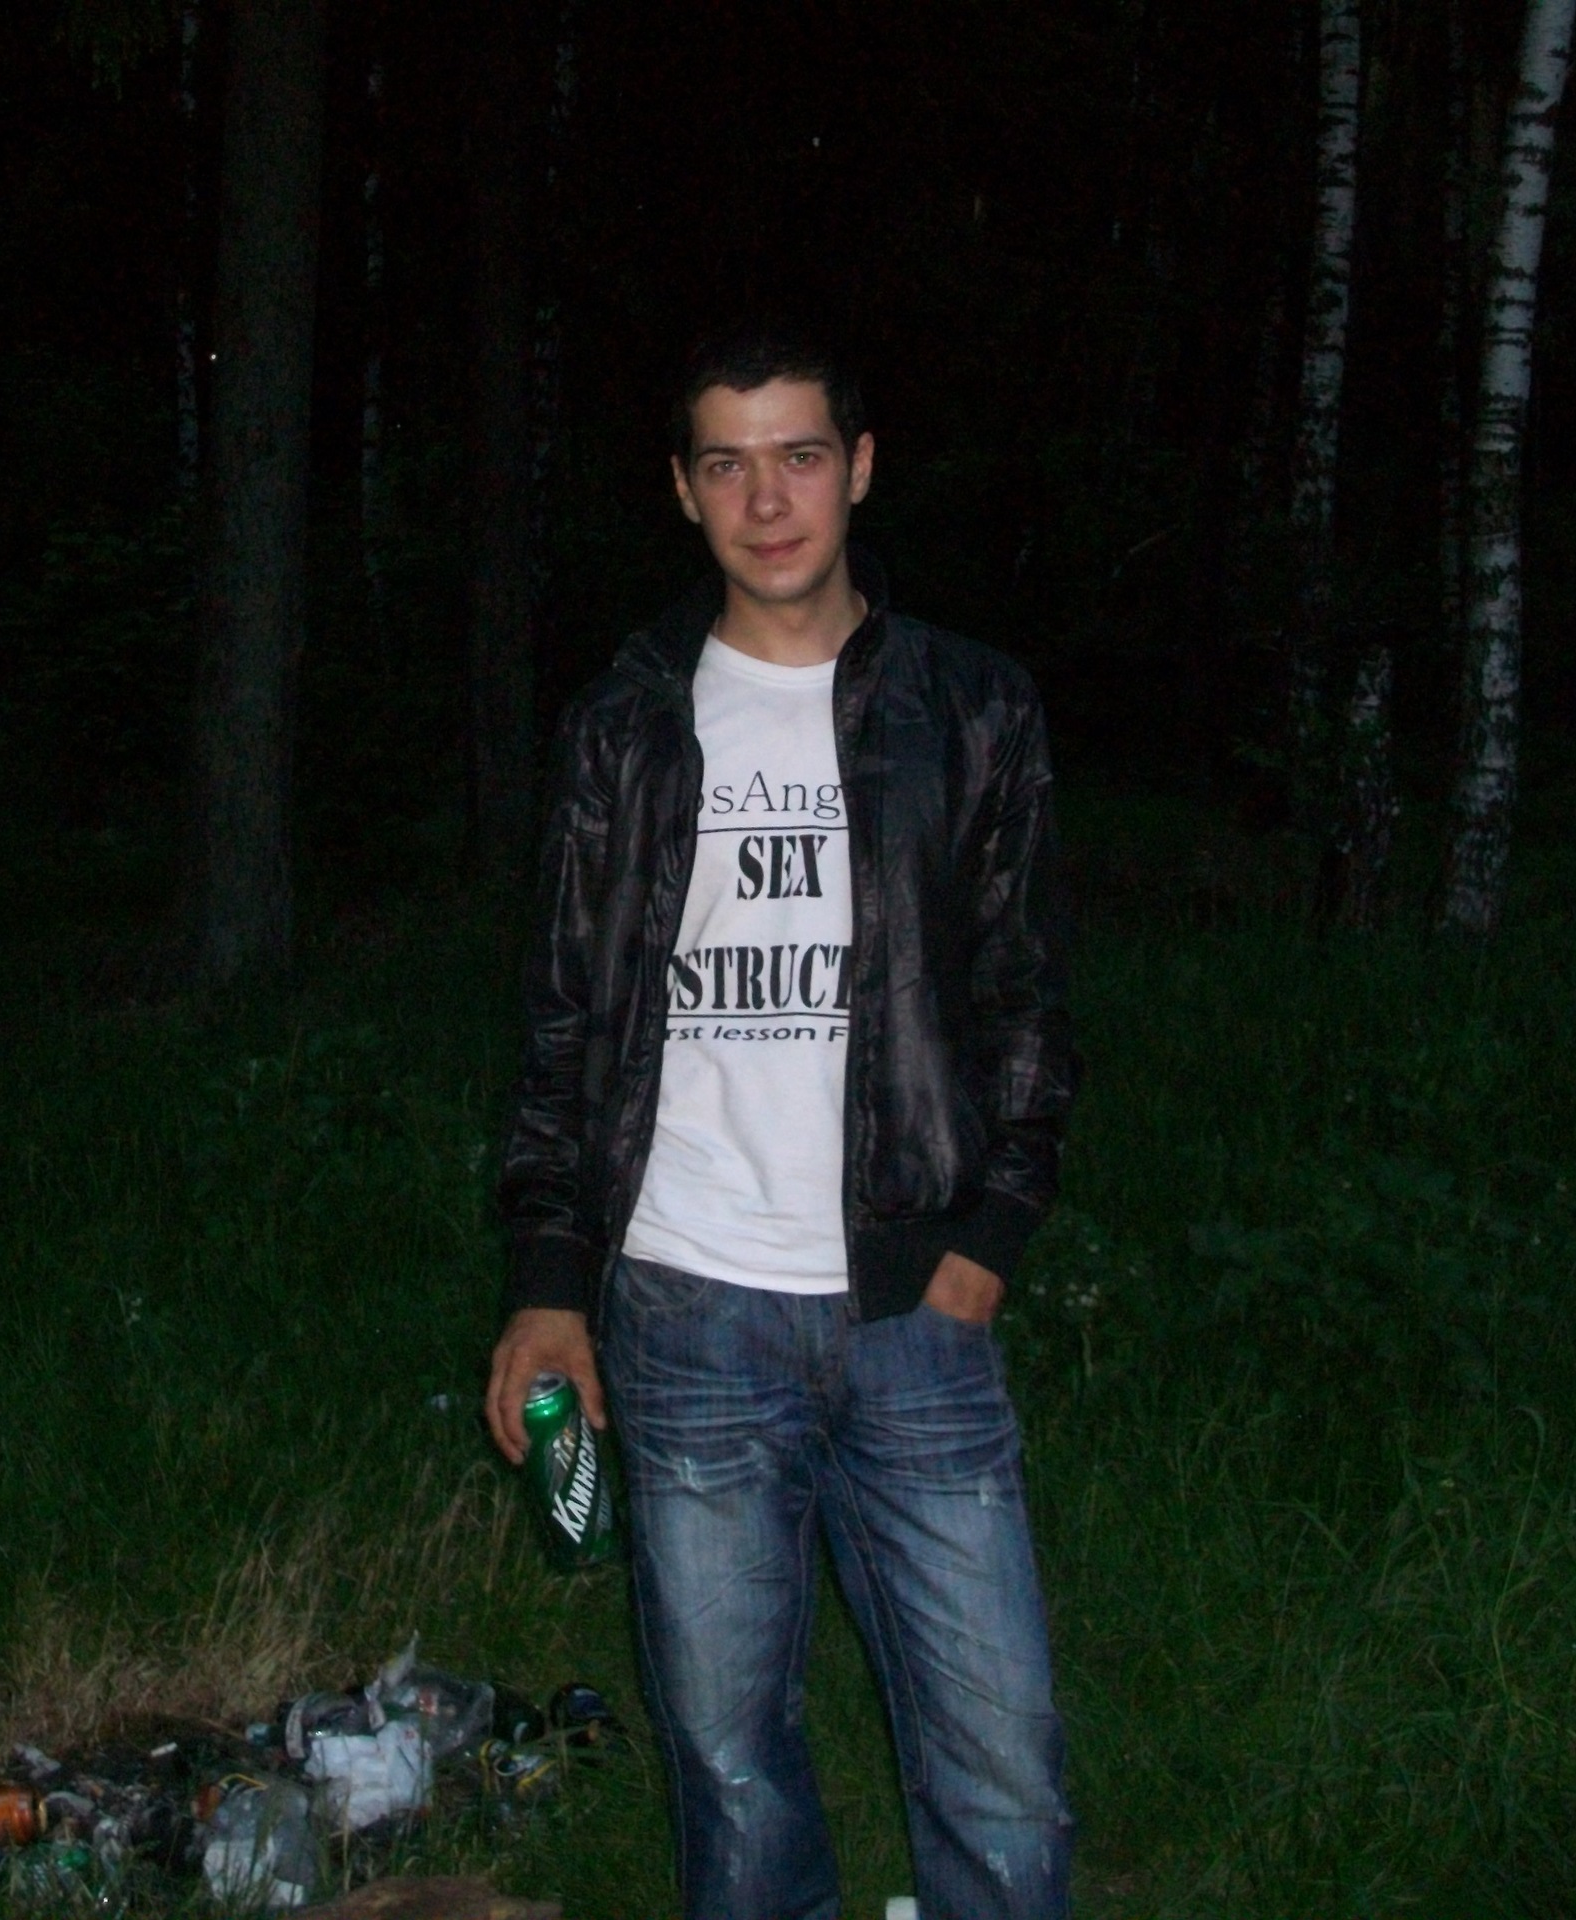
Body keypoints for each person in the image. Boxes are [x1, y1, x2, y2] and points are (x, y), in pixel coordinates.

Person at [483, 323, 1077, 1920]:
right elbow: (563, 1018)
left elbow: (1026, 995)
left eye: (800, 456)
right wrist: (550, 1281)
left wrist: (991, 1236)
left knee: (1005, 1768)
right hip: (687, 1310)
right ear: (684, 491)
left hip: (915, 1314)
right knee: (733, 1766)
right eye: (728, 465)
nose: (768, 501)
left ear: (859, 469)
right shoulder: (625, 723)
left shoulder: (971, 706)